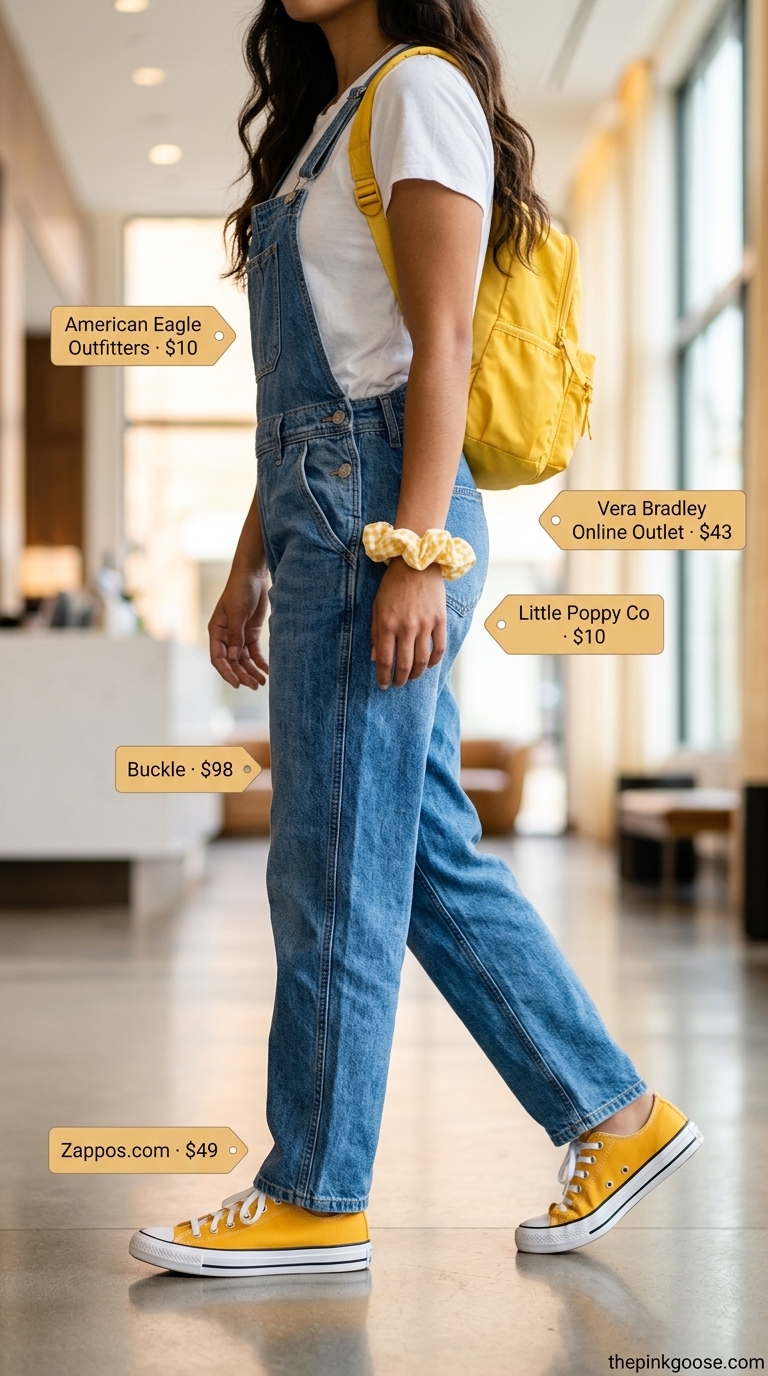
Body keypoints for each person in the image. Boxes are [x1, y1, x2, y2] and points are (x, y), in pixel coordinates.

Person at [130, 0, 702, 1278]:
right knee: (421, 849)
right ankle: (618, 1115)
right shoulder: (326, 127)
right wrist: (249, 563)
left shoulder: (419, 92)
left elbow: (439, 344)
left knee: (330, 860)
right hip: (326, 510)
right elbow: (305, 392)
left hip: (384, 513)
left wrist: (416, 551)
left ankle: (315, 1192)